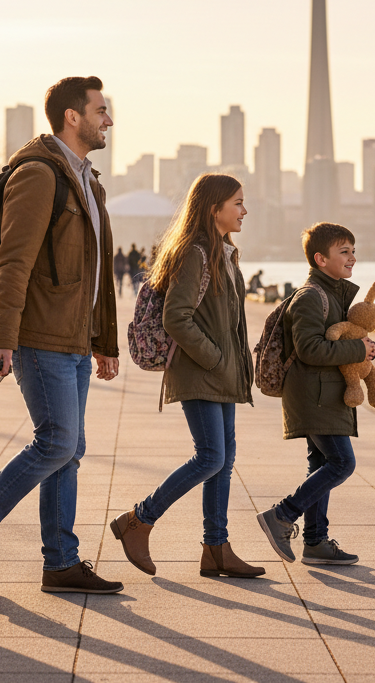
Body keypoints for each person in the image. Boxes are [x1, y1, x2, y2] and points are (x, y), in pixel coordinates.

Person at [0, 75, 123, 597]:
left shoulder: (88, 181)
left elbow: (96, 273)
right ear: (72, 116)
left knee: (71, 449)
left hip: (74, 340)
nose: (108, 120)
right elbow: (12, 261)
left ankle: (61, 562)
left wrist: (104, 341)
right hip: (39, 337)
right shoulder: (40, 175)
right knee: (58, 442)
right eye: (101, 111)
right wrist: (2, 337)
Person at [110, 174, 263, 580]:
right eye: (237, 203)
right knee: (211, 457)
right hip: (202, 372)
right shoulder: (195, 253)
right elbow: (176, 317)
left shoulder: (225, 253)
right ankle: (138, 520)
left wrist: (235, 365)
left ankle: (216, 548)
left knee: (223, 460)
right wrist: (214, 359)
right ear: (214, 209)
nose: (244, 210)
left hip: (222, 374)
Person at [256, 222, 375, 566]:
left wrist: (366, 350)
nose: (353, 257)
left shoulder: (333, 295)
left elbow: (342, 340)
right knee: (342, 462)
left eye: (353, 250)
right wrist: (357, 351)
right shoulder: (312, 296)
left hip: (325, 394)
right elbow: (310, 348)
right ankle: (281, 515)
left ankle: (315, 541)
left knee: (321, 464)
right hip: (315, 396)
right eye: (344, 252)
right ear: (320, 259)